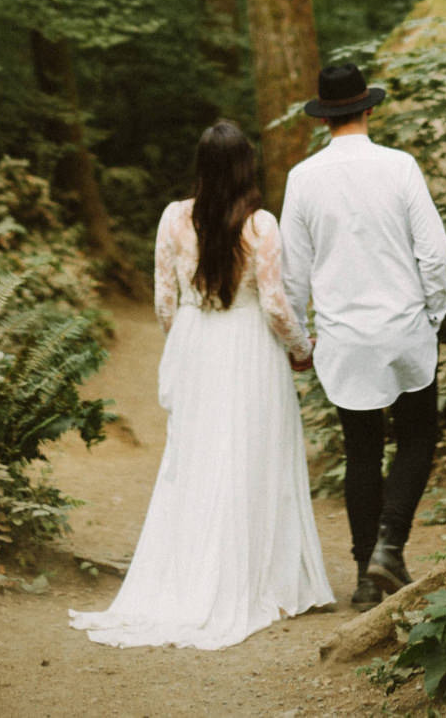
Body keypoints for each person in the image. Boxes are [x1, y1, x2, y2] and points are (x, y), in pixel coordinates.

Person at [69, 119, 333, 650]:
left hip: (196, 342)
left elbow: (164, 299)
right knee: (254, 457)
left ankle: (189, 574)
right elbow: (277, 304)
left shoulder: (172, 218)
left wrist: (187, 340)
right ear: (245, 167)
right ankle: (265, 579)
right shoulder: (261, 225)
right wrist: (302, 350)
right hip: (249, 347)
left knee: (192, 461)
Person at [281, 61, 446, 610]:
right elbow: (434, 251)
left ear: (323, 118)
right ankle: (391, 545)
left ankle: (362, 576)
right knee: (419, 434)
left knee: (361, 449)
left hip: (343, 335)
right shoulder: (399, 167)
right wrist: (434, 313)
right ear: (368, 107)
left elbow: (292, 273)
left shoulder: (303, 179)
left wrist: (301, 343)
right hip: (403, 326)